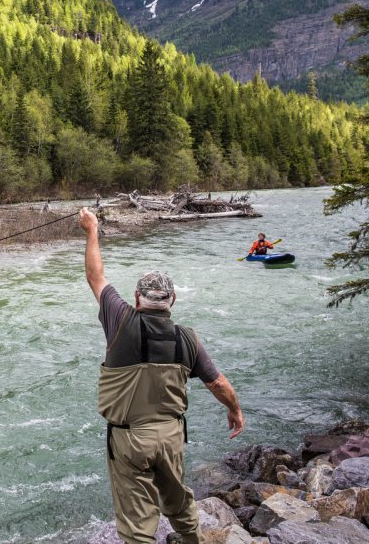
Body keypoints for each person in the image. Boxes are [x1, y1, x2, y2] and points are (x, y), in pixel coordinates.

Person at [78, 207, 244, 544]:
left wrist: (92, 229)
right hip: (171, 436)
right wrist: (235, 411)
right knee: (179, 502)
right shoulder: (188, 338)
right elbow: (219, 384)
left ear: (137, 298)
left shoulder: (120, 319)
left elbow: (96, 276)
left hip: (129, 439)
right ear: (173, 300)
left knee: (138, 526)